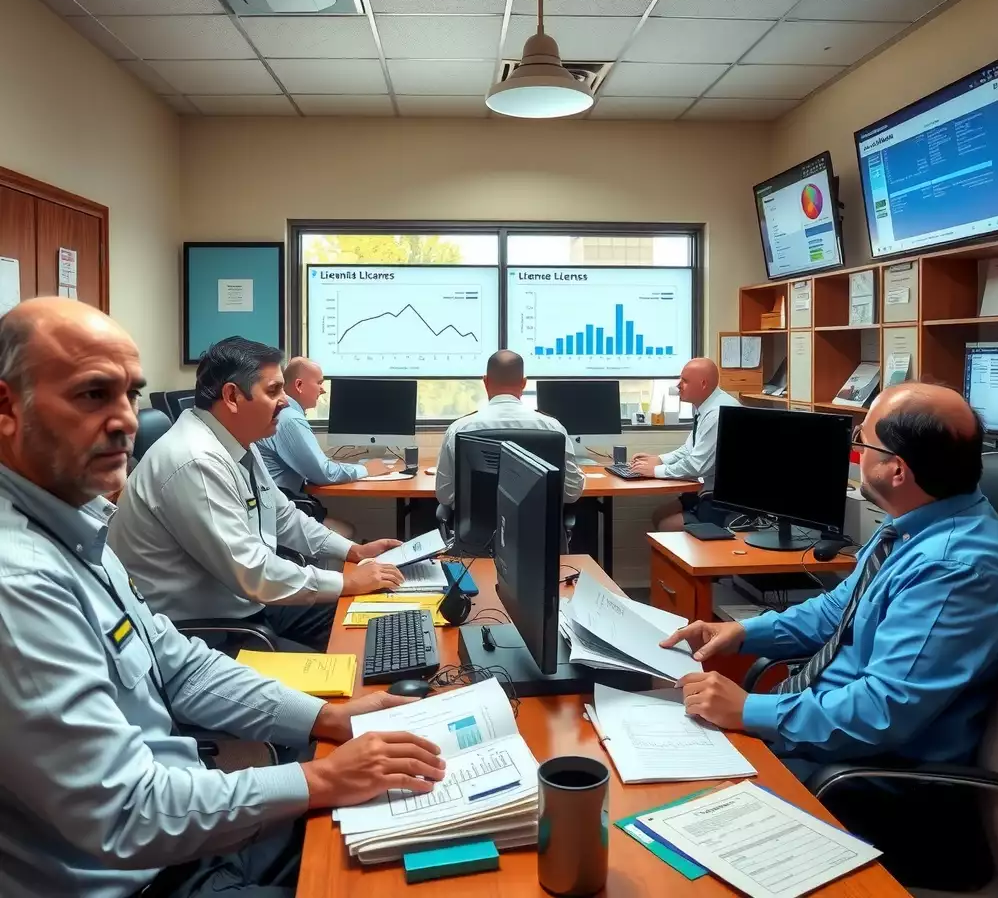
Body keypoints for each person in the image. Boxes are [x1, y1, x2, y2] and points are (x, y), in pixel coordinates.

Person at [0, 298, 444, 898]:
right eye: (92, 395)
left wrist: (330, 718)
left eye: (131, 394)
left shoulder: (77, 521)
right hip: (141, 872)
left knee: (395, 837)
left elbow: (174, 663)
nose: (126, 420)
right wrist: (316, 779)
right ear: (7, 408)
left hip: (190, 820)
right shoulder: (22, 581)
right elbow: (126, 812)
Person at [661, 382, 998, 888]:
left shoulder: (956, 570)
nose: (855, 448)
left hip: (874, 785)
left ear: (895, 469)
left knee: (677, 844)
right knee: (672, 788)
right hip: (825, 736)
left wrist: (747, 710)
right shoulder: (911, 524)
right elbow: (836, 611)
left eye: (864, 440)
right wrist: (741, 631)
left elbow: (881, 712)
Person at [109, 337, 405, 654]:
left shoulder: (237, 441)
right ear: (233, 396)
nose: (285, 402)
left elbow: (282, 514)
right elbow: (252, 571)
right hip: (205, 635)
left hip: (247, 603)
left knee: (377, 619)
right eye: (274, 391)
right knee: (354, 661)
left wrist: (353, 552)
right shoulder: (196, 461)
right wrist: (346, 582)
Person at [256, 356, 388, 539]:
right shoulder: (290, 419)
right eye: (319, 383)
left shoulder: (286, 415)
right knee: (346, 532)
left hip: (276, 501)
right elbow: (324, 473)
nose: (323, 390)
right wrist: (366, 469)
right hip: (279, 507)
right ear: (299, 385)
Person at [435, 350, 584, 508]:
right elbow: (572, 492)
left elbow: (444, 495)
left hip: (478, 531)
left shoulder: (459, 428)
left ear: (485, 382)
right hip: (537, 530)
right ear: (524, 383)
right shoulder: (552, 427)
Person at [631, 357, 739, 530]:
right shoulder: (705, 407)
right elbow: (689, 450)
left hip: (723, 500)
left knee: (666, 525)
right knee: (659, 515)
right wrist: (660, 459)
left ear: (703, 384)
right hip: (705, 491)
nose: (678, 385)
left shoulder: (717, 414)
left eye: (685, 381)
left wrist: (655, 471)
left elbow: (697, 465)